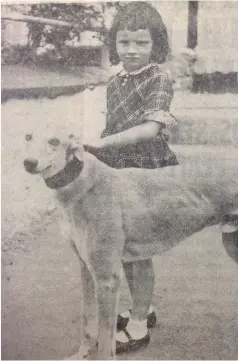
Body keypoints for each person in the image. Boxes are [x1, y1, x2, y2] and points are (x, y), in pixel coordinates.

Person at [84, 2, 178, 354]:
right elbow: (112, 125)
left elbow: (151, 129)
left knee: (139, 250)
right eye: (124, 43)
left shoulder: (159, 78)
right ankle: (144, 307)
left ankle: (138, 325)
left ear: (157, 45)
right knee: (122, 246)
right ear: (115, 44)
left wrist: (102, 142)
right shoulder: (116, 81)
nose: (132, 51)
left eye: (141, 43)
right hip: (116, 168)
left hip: (146, 170)